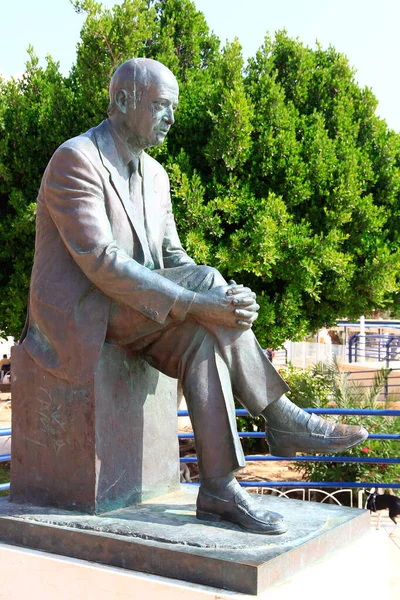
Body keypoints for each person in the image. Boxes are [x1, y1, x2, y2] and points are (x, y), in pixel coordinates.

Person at [20, 58, 368, 535]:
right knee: (205, 285)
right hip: (83, 313)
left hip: (134, 310)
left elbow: (172, 254)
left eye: (174, 108)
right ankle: (280, 415)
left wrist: (228, 302)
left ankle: (220, 488)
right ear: (123, 101)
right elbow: (101, 259)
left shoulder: (157, 176)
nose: (171, 119)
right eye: (161, 106)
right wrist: (203, 300)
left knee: (203, 338)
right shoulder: (76, 159)